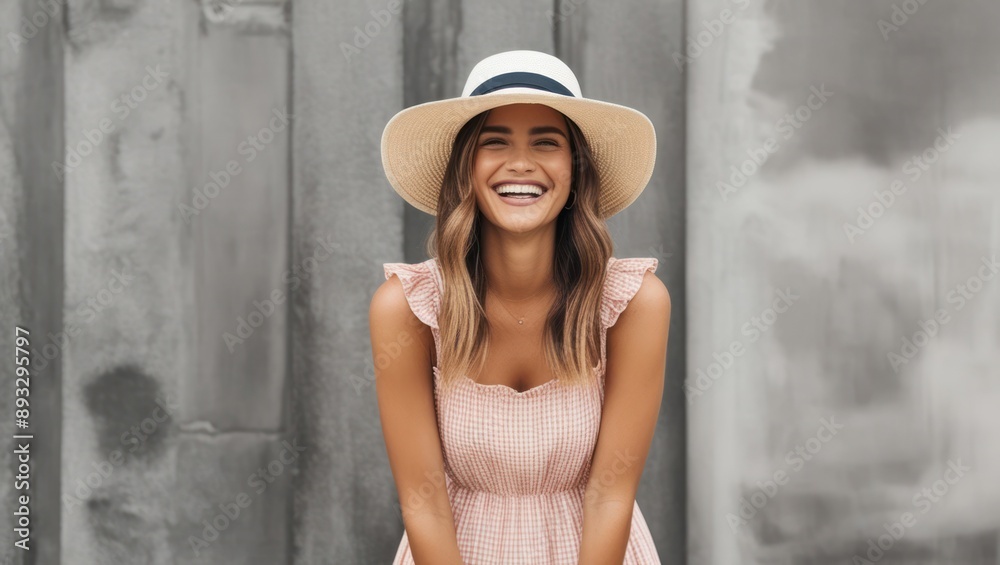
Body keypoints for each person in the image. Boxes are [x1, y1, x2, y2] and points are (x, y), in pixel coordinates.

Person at [369, 50, 670, 564]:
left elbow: (611, 498)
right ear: (466, 168)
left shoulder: (633, 303)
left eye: (546, 142)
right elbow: (424, 506)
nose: (521, 163)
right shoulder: (408, 308)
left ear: (575, 171)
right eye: (495, 142)